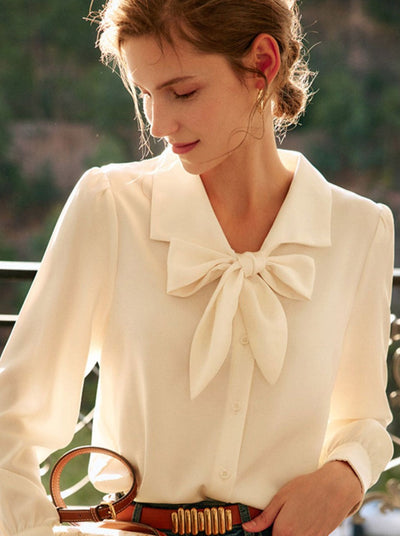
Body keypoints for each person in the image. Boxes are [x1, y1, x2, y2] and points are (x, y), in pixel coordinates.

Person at [0, 1, 395, 535]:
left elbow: (363, 417)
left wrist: (347, 473)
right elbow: (11, 420)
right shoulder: (111, 205)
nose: (158, 123)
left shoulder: (360, 230)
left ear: (262, 63)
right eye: (145, 94)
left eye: (182, 92)